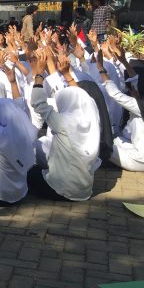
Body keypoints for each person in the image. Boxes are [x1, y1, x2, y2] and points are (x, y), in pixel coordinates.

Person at [28, 54, 101, 201]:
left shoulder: (64, 122)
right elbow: (82, 97)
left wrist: (39, 74)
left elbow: (37, 102)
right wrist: (67, 75)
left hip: (62, 190)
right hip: (85, 190)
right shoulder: (92, 116)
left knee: (31, 172)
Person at [97, 50, 144, 172]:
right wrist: (124, 61)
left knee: (102, 146)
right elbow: (137, 82)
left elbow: (115, 94)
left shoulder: (142, 106)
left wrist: (101, 68)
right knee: (116, 140)